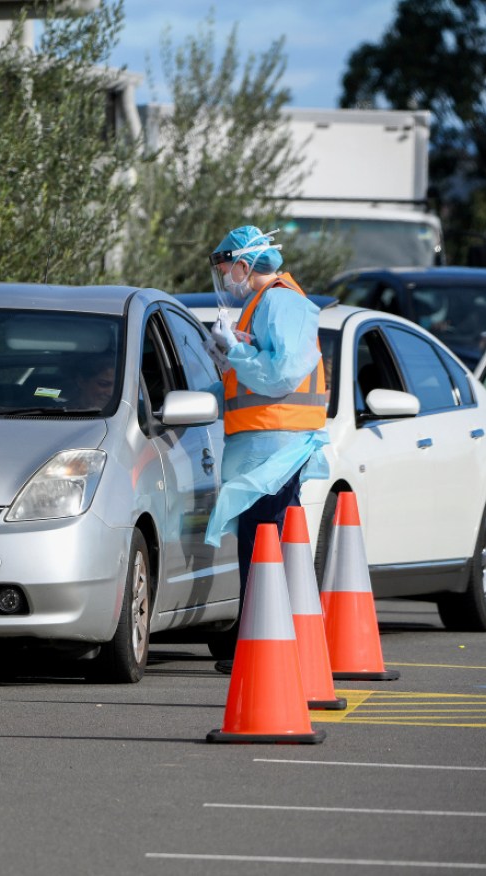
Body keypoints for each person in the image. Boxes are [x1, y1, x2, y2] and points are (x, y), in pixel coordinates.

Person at [203, 225, 331, 659]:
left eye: (226, 269)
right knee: (261, 542)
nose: (225, 279)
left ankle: (261, 647)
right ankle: (262, 643)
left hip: (277, 442)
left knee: (262, 543)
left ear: (244, 264)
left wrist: (234, 352)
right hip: (264, 442)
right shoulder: (263, 304)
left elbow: (280, 375)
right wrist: (228, 356)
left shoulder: (280, 301)